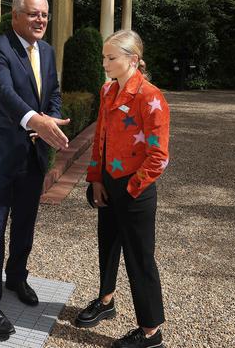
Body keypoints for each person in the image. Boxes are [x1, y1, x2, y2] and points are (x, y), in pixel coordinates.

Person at [0, 0, 70, 340]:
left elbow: (52, 93)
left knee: (25, 222)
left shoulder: (48, 51)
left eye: (45, 15)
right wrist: (34, 120)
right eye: (33, 14)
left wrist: (50, 120)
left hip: (32, 156)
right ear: (15, 17)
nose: (41, 20)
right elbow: (2, 92)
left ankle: (17, 277)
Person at [78, 30, 170, 348]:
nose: (104, 62)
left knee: (139, 259)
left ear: (132, 59)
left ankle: (150, 332)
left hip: (136, 191)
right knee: (108, 245)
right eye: (104, 57)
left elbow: (159, 157)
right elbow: (100, 138)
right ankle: (106, 302)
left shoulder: (150, 97)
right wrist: (97, 178)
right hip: (110, 183)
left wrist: (130, 189)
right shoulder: (107, 91)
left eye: (110, 58)